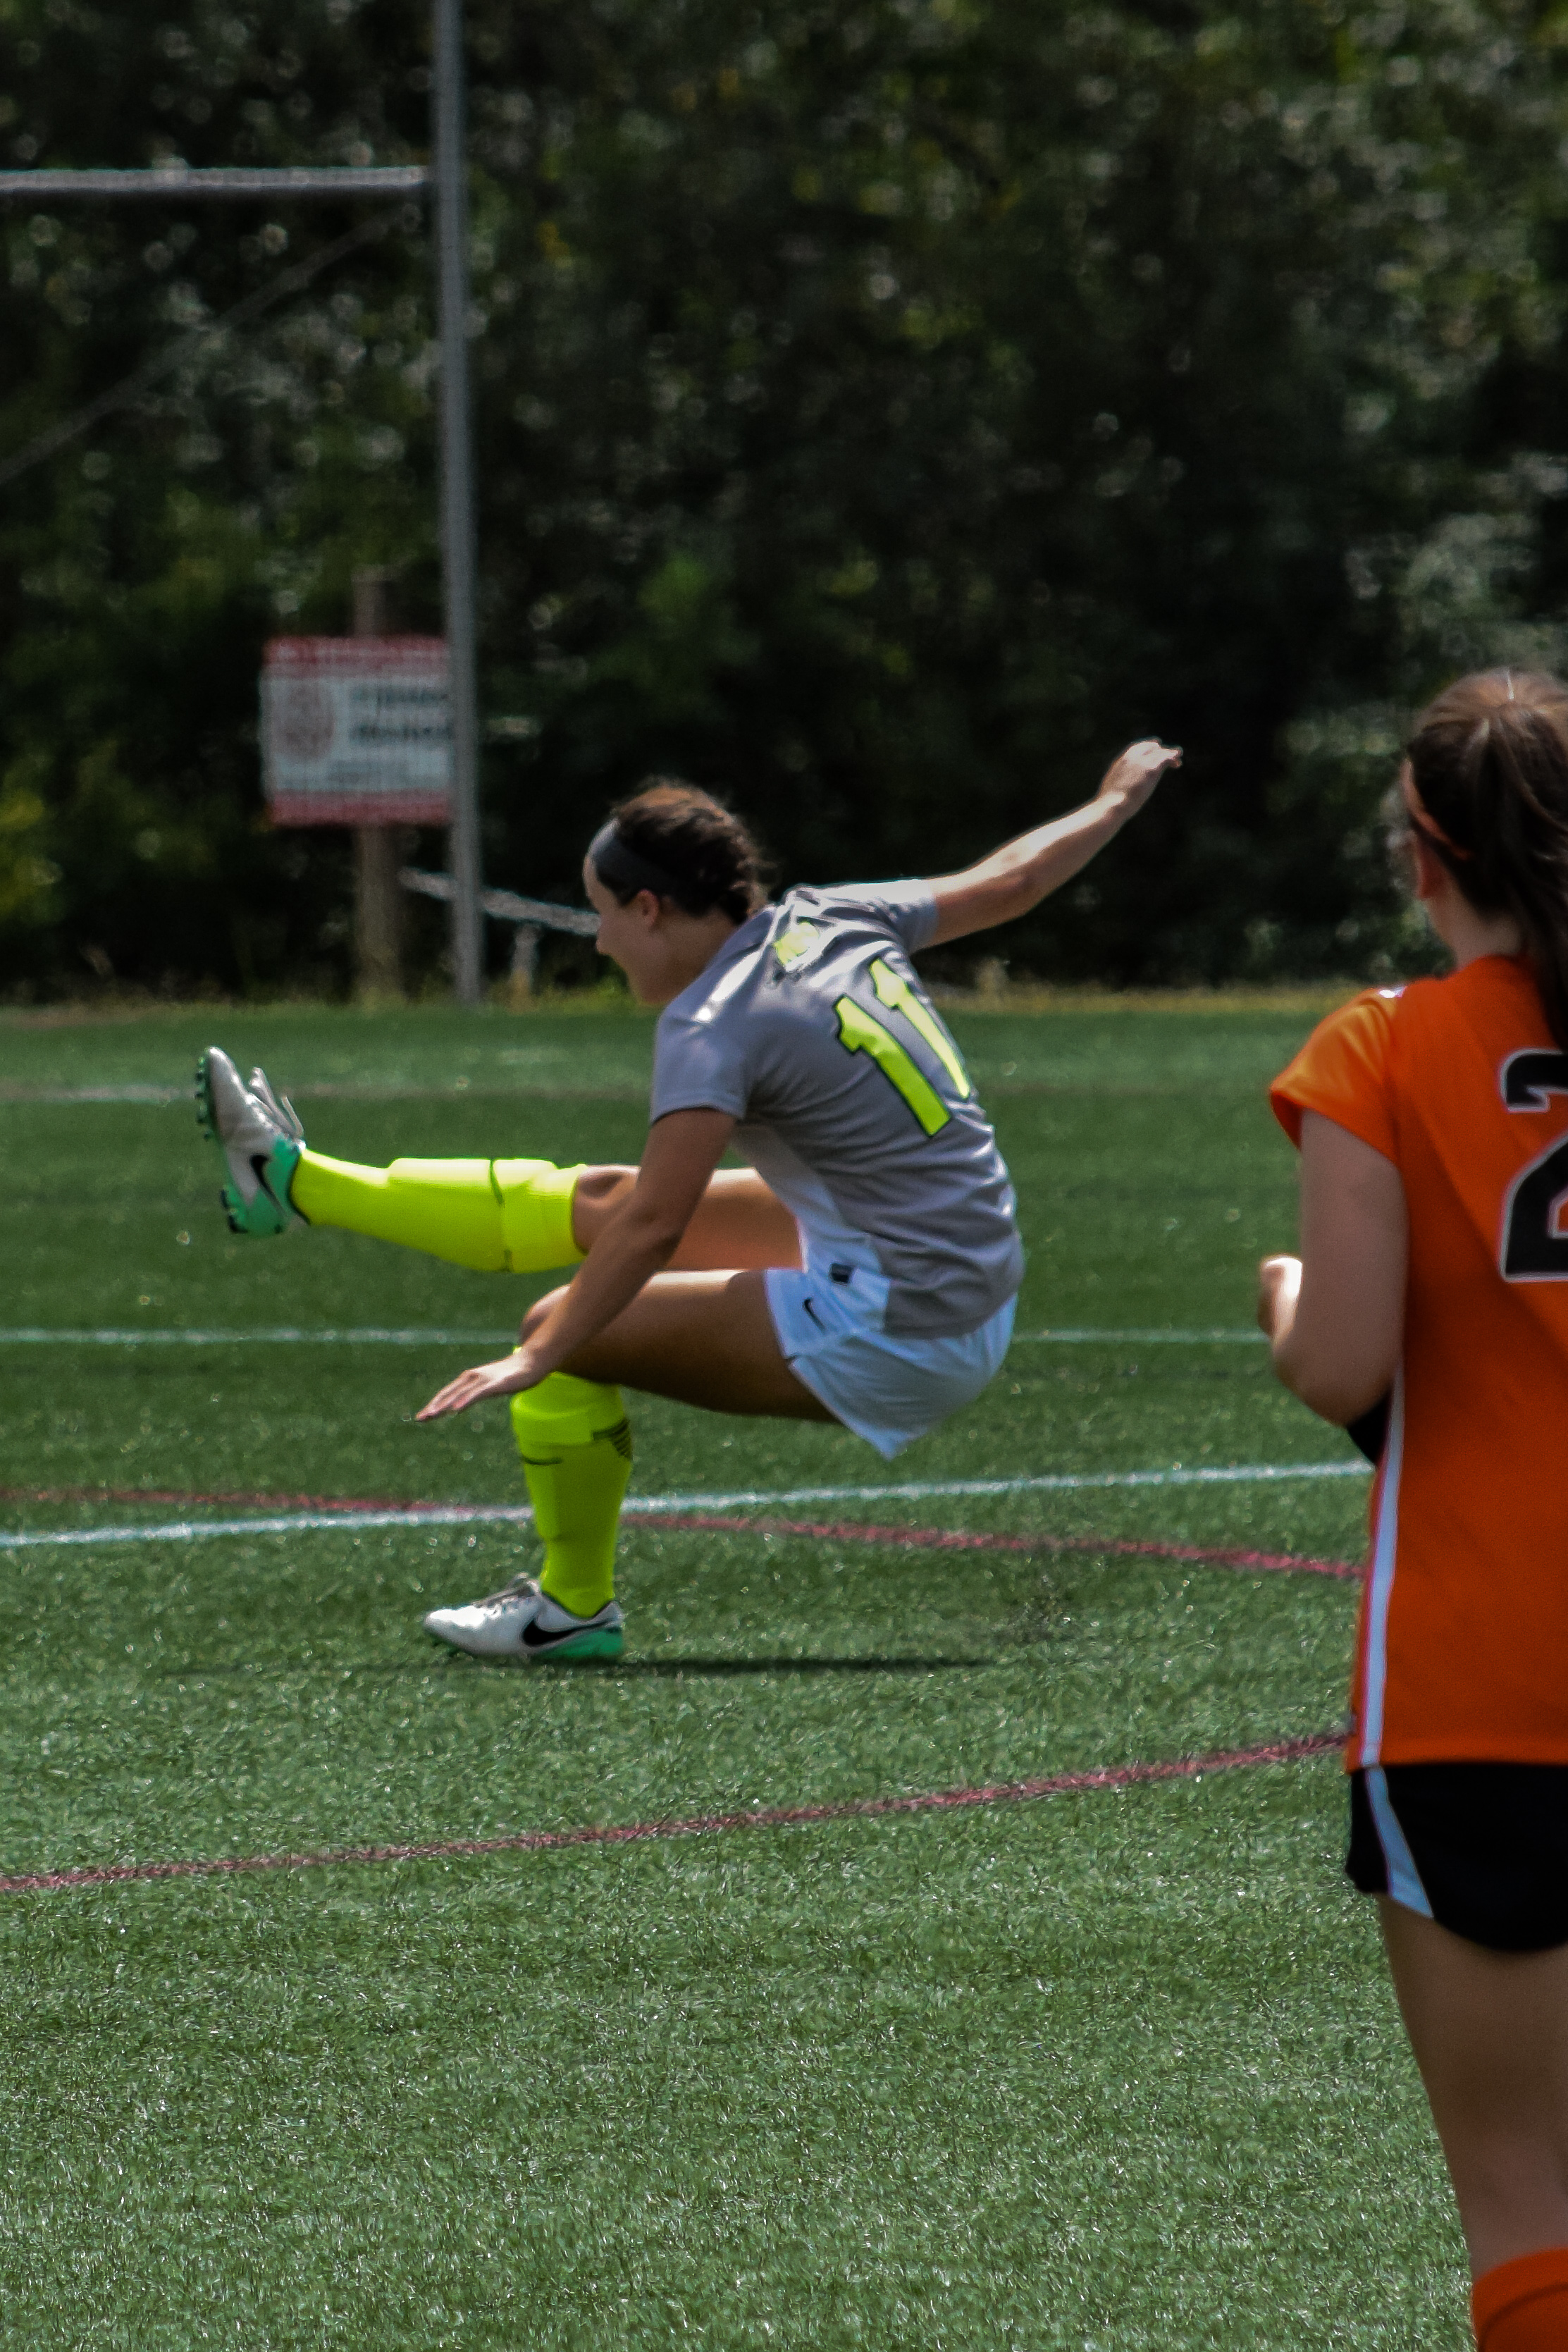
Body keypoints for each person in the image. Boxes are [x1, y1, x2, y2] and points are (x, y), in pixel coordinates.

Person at [199, 749, 1178, 1663]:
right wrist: (1114, 801)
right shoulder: (828, 915)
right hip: (955, 1266)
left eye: (603, 914)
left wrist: (539, 1353)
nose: (597, 937)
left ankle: (569, 1609)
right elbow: (1011, 883)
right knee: (598, 1198)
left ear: (652, 906)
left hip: (905, 1327)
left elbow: (658, 1231)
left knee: (566, 1323)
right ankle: (290, 1182)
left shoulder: (710, 1025)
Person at [1260, 669, 1568, 2352]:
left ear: (1422, 860)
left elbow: (1343, 1363)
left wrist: (1284, 1290)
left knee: (1528, 2199)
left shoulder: (1382, 1044)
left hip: (1484, 1681)